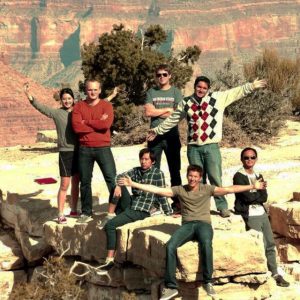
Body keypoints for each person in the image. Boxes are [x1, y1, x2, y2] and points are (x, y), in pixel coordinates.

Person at [117, 164, 267, 299]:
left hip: (203, 224)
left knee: (206, 244)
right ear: (187, 176)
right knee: (170, 246)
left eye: (195, 177)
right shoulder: (180, 189)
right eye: (190, 176)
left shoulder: (207, 188)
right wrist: (133, 183)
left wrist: (252, 185)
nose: (192, 179)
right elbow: (158, 190)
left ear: (200, 178)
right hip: (187, 225)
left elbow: (229, 189)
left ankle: (208, 282)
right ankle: (171, 287)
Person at [148, 76, 267, 218]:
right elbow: (173, 119)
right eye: (199, 87)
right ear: (195, 87)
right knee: (197, 179)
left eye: (204, 88)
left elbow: (236, 92)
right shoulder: (186, 102)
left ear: (208, 89)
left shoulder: (217, 98)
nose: (201, 90)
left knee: (215, 177)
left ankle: (222, 206)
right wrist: (157, 130)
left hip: (211, 147)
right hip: (194, 148)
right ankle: (201, 207)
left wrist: (251, 86)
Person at [96, 148, 173, 272]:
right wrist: (118, 185)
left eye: (146, 159)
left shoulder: (158, 173)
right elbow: (119, 176)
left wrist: (169, 212)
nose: (143, 162)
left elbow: (161, 194)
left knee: (110, 226)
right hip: (132, 203)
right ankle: (110, 215)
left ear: (152, 161)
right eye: (142, 159)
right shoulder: (136, 171)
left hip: (142, 209)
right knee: (115, 186)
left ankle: (109, 260)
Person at [233, 147, 290, 287]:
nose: (249, 160)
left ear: (256, 159)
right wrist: (256, 192)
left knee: (270, 243)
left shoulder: (258, 174)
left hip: (262, 213)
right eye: (246, 157)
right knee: (259, 245)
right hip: (250, 214)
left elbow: (264, 197)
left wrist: (256, 193)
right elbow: (246, 197)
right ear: (242, 159)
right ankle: (261, 271)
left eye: (252, 157)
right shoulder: (238, 176)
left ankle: (275, 272)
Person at [24, 83, 79, 224]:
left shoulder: (79, 111)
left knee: (76, 183)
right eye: (64, 99)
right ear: (61, 100)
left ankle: (74, 210)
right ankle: (60, 213)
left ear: (73, 98)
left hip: (79, 151)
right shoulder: (56, 113)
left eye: (69, 98)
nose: (67, 101)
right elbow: (42, 108)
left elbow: (93, 108)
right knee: (64, 184)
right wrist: (29, 96)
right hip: (65, 152)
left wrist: (111, 96)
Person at [72, 79, 117, 223]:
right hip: (84, 148)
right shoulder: (79, 106)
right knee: (85, 181)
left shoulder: (106, 105)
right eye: (90, 89)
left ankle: (118, 209)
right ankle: (86, 212)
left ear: (100, 90)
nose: (92, 92)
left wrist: (87, 122)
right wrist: (97, 121)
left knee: (111, 179)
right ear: (86, 90)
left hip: (103, 147)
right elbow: (77, 128)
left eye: (95, 89)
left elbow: (106, 125)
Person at [144, 64, 182, 212]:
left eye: (164, 74)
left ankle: (177, 202)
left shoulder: (176, 92)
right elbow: (148, 112)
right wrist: (167, 109)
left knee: (175, 170)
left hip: (172, 136)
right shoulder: (151, 92)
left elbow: (177, 115)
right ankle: (155, 203)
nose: (161, 77)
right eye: (159, 75)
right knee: (153, 170)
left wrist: (156, 111)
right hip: (154, 137)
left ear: (170, 76)